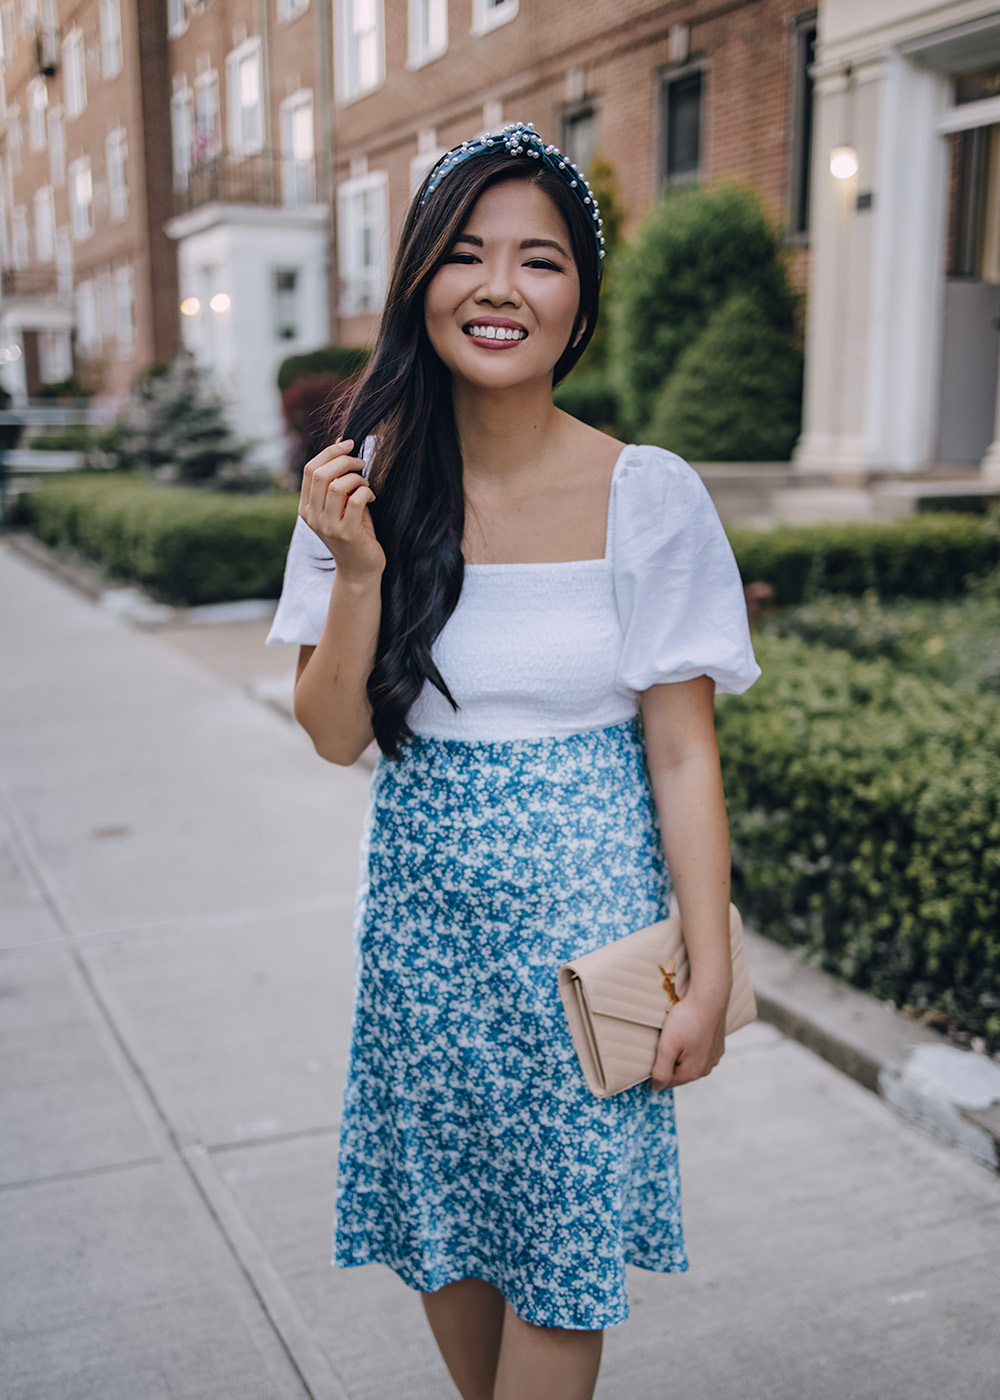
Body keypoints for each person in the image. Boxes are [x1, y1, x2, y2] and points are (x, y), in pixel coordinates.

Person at [267, 122, 760, 1400]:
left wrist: (704, 971)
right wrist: (363, 573)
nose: (498, 288)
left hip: (591, 955)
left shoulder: (646, 493)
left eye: (538, 260)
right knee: (448, 1236)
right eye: (467, 255)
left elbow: (682, 754)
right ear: (420, 277)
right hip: (426, 948)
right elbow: (331, 732)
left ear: (577, 301)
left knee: (560, 1260)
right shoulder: (355, 489)